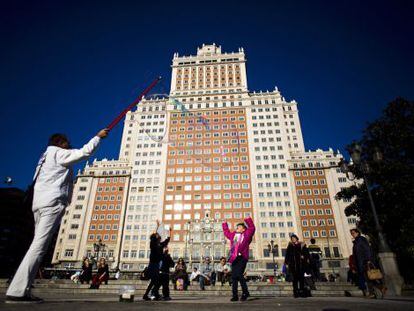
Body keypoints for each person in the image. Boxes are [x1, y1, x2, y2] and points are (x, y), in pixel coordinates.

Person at [5, 129, 108, 304]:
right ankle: (18, 290)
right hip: (51, 203)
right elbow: (84, 153)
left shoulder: (44, 157)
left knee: (39, 246)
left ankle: (24, 289)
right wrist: (98, 137)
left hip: (39, 203)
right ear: (60, 143)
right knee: (38, 247)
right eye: (67, 142)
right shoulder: (58, 152)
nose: (69, 144)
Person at [223, 217, 256, 302]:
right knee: (234, 277)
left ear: (243, 229)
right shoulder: (234, 235)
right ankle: (235, 295)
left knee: (239, 274)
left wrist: (247, 219)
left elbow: (252, 228)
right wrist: (224, 224)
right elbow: (226, 233)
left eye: (238, 227)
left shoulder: (247, 234)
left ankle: (245, 292)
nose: (236, 228)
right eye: (236, 227)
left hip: (242, 257)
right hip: (234, 258)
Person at [143, 221, 171, 301]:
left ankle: (149, 294)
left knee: (154, 281)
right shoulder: (153, 244)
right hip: (152, 265)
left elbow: (167, 240)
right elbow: (155, 234)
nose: (159, 237)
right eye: (158, 236)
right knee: (155, 281)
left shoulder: (159, 245)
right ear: (155, 238)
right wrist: (157, 227)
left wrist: (169, 232)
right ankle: (154, 294)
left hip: (155, 265)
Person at [350, 228, 374, 298]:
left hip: (364, 262)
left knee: (368, 277)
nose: (352, 235)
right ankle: (371, 292)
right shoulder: (356, 242)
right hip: (359, 262)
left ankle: (372, 293)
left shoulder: (361, 240)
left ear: (358, 233)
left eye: (353, 233)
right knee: (366, 277)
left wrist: (368, 259)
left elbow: (367, 249)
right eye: (351, 233)